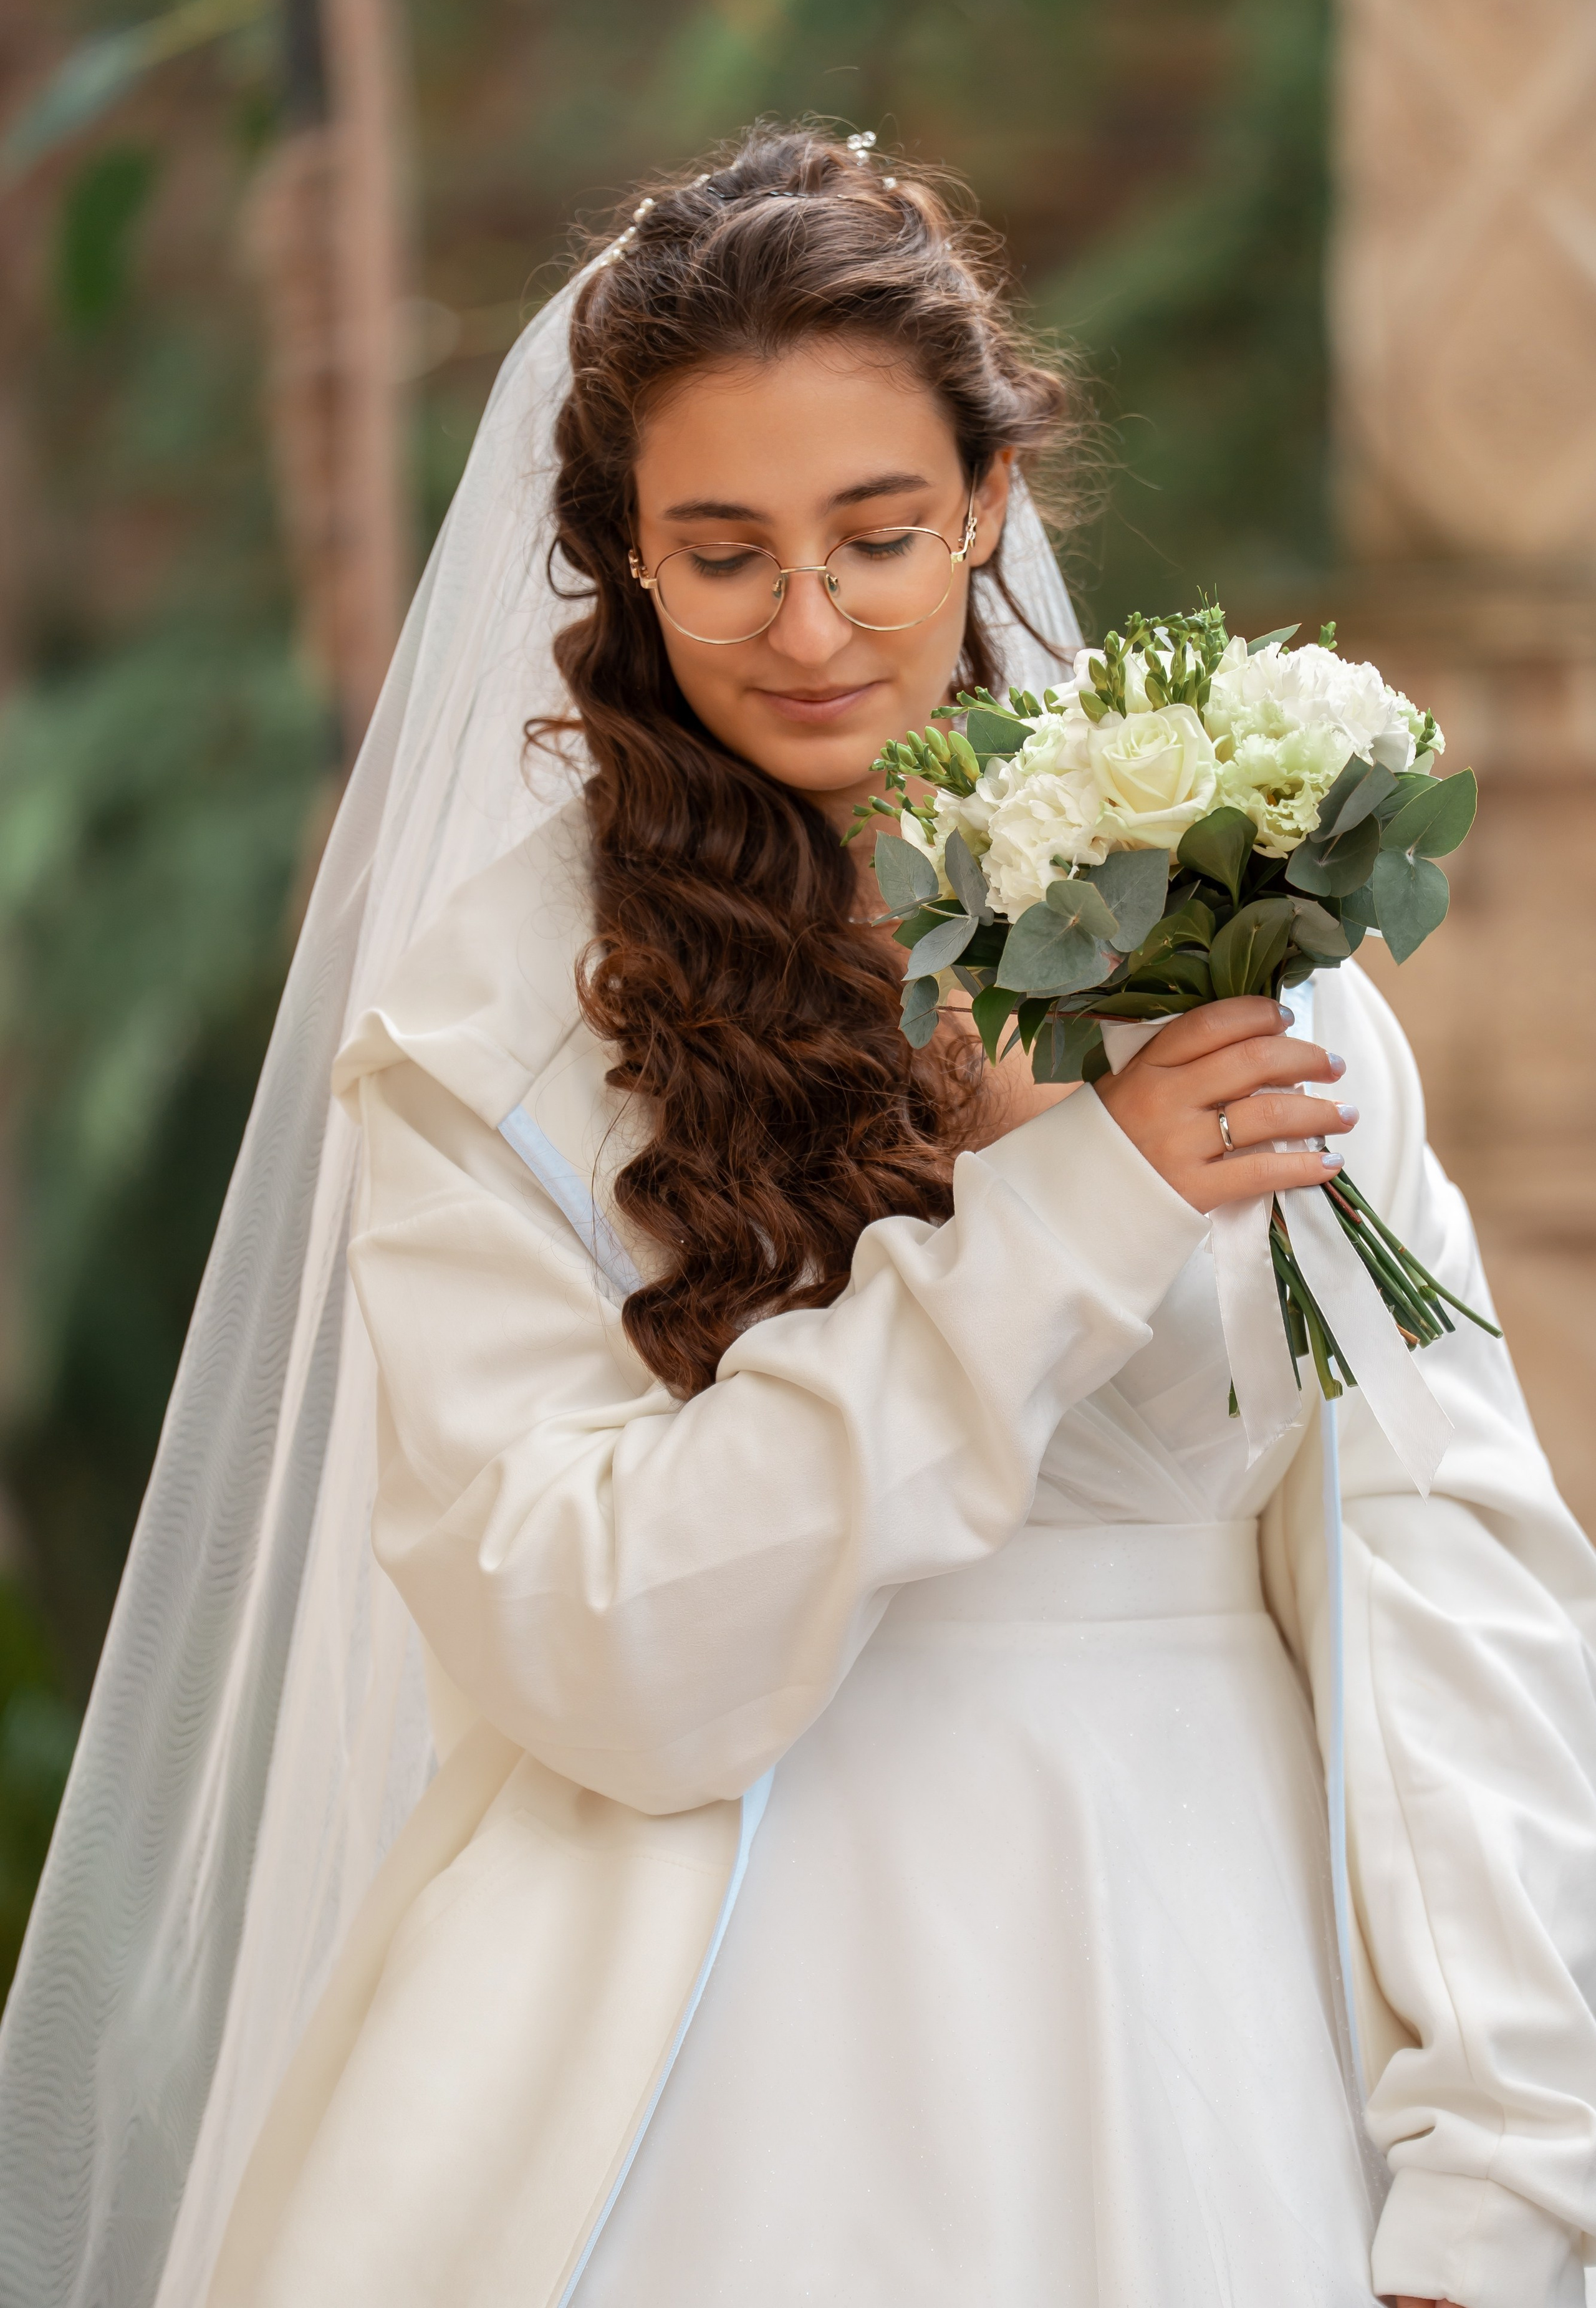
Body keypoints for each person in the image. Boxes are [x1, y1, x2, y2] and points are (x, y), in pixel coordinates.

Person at [4, 124, 1594, 2308]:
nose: (815, 622)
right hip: (676, 2075)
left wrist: (1511, 2184)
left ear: (990, 511)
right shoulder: (489, 1034)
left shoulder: (1249, 944)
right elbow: (597, 1647)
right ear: (625, 567)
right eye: (725, 550)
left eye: (879, 534)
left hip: (1197, 2025)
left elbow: (1447, 1565)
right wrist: (1075, 1209)